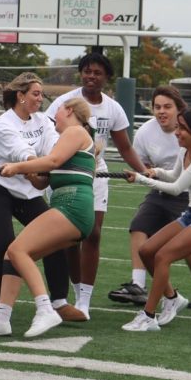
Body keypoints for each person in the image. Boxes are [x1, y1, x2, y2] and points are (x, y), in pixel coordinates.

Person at [0, 73, 80, 336]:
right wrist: (38, 167)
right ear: (21, 96)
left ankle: (59, 302)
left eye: (41, 94)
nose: (41, 99)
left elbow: (54, 146)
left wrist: (68, 154)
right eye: (36, 93)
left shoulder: (43, 121)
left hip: (28, 192)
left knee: (55, 238)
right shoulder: (3, 123)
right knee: (4, 242)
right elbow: (22, 152)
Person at [0, 96, 98, 338]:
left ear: (68, 110)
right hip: (73, 208)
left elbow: (52, 161)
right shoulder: (74, 138)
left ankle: (45, 308)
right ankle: (1, 318)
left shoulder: (75, 131)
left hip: (71, 206)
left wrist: (17, 167)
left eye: (57, 111)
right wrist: (28, 175)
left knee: (17, 250)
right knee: (12, 254)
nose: (53, 117)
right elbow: (46, 176)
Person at [43, 53, 147, 318]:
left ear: (106, 77)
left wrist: (145, 173)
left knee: (94, 233)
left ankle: (85, 299)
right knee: (68, 236)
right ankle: (74, 292)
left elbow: (125, 147)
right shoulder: (65, 103)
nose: (91, 76)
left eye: (97, 73)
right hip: (65, 173)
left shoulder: (113, 108)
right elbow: (46, 133)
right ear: (81, 73)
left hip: (96, 175)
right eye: (87, 71)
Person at [108, 86, 191, 309]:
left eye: (167, 107)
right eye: (157, 107)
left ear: (179, 110)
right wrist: (149, 172)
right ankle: (139, 285)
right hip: (162, 188)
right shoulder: (149, 133)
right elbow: (152, 166)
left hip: (187, 194)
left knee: (181, 248)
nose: (161, 112)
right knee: (139, 227)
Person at [121, 108, 191, 332]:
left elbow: (176, 189)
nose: (177, 132)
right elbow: (173, 175)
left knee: (162, 256)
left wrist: (140, 180)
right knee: (146, 251)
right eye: (177, 127)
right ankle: (172, 298)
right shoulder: (184, 151)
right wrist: (153, 172)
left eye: (182, 128)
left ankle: (148, 316)